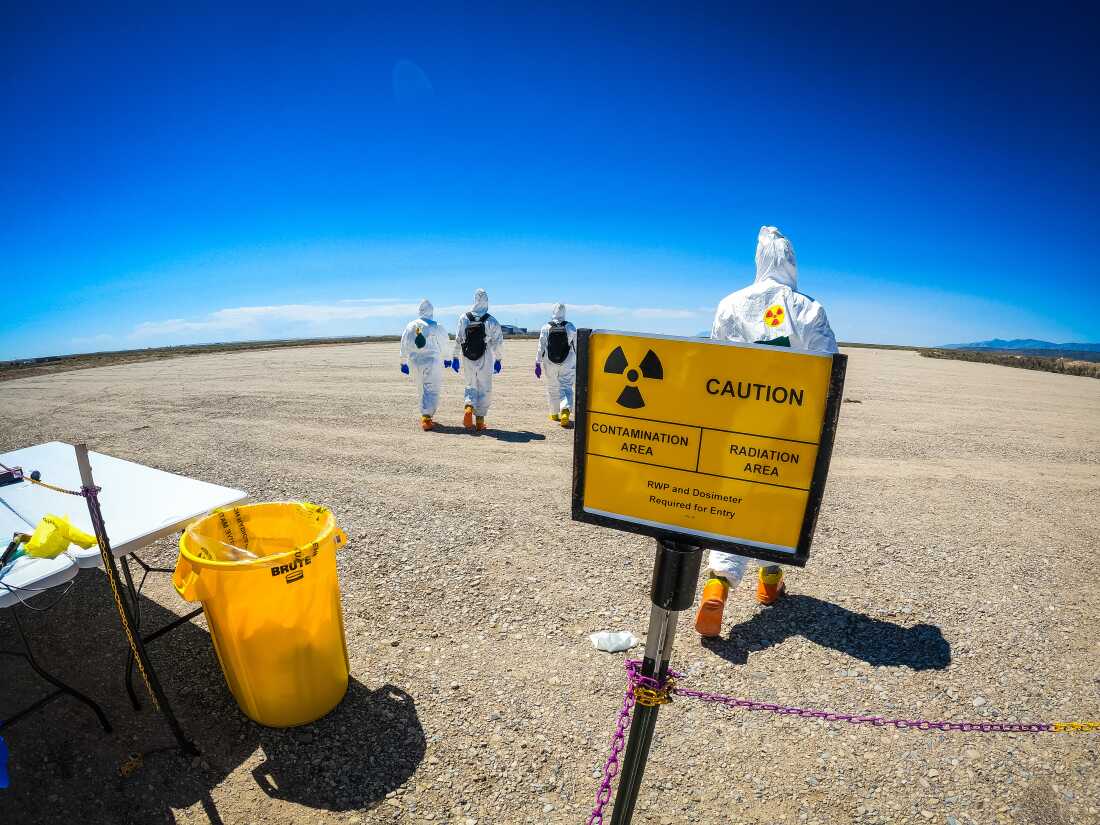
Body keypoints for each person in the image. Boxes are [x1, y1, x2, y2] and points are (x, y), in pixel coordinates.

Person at [695, 226, 838, 638]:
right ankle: (769, 584)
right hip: (788, 425)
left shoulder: (731, 304)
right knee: (775, 502)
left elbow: (715, 362)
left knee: (733, 499)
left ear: (759, 260)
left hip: (740, 420)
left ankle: (718, 585)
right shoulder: (808, 308)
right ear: (791, 262)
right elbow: (828, 368)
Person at [451, 288, 504, 431]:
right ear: (486, 301)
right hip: (484, 356)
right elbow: (497, 342)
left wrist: (455, 356)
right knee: (484, 387)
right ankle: (480, 421)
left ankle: (468, 407)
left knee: (470, 384)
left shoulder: (464, 317)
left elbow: (458, 338)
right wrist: (498, 359)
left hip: (467, 356)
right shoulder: (491, 320)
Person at [399, 299, 452, 431]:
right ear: (431, 311)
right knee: (431, 388)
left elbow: (403, 344)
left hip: (414, 362)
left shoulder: (410, 326)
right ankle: (427, 418)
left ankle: (425, 415)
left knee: (421, 388)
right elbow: (445, 342)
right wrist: (447, 358)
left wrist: (403, 362)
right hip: (431, 361)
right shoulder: (436, 326)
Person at [534, 302, 577, 427]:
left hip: (550, 361)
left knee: (553, 387)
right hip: (567, 361)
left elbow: (541, 347)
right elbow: (576, 346)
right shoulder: (570, 327)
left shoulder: (546, 327)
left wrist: (538, 363)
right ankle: (565, 411)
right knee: (566, 386)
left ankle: (554, 413)